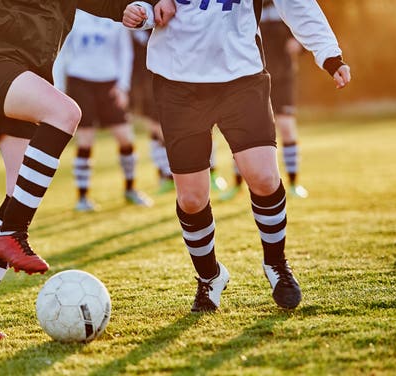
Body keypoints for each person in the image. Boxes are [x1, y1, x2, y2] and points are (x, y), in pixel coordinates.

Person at [0, 0, 173, 340]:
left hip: (22, 66)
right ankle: (12, 234)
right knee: (64, 112)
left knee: (18, 189)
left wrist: (126, 7)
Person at [128, 0, 351, 311]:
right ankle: (210, 277)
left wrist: (329, 54)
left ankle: (276, 264)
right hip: (178, 81)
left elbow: (297, 3)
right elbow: (146, 7)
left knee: (262, 176)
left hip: (241, 75)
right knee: (191, 198)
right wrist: (142, 9)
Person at [53, 10, 154, 212]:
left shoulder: (115, 14)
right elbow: (62, 53)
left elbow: (125, 52)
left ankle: (131, 189)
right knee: (85, 140)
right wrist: (59, 90)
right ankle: (82, 197)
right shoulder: (74, 15)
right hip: (80, 82)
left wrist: (123, 86)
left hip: (109, 84)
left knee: (126, 138)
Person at [229, 0, 309, 198]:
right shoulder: (243, 4)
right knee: (243, 130)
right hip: (251, 77)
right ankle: (237, 184)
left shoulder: (285, 3)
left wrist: (298, 43)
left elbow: (306, 26)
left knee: (286, 127)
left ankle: (293, 183)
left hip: (283, 77)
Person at [130, 29, 174, 194]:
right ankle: (164, 174)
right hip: (140, 79)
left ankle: (171, 172)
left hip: (162, 74)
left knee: (163, 128)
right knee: (153, 128)